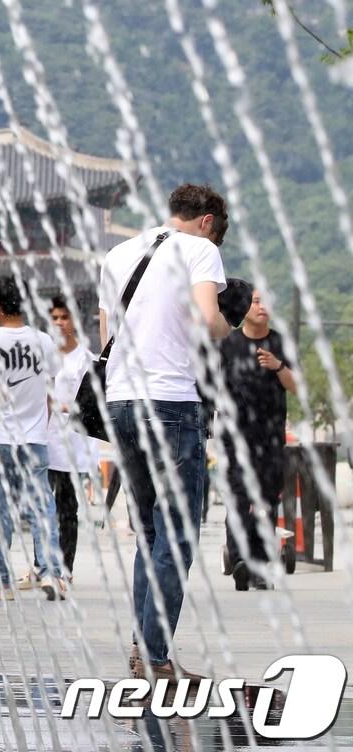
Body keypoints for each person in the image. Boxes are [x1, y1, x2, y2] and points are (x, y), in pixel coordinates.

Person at [99, 183, 245, 680]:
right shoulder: (200, 250)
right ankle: (156, 658)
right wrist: (228, 324)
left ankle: (145, 651)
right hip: (170, 403)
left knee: (149, 532)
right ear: (207, 222)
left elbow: (106, 335)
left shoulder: (118, 254)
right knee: (177, 535)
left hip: (120, 401)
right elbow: (207, 320)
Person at [0, 275, 65, 600]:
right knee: (42, 506)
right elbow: (50, 394)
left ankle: (2, 580)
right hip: (33, 438)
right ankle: (50, 573)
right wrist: (40, 427)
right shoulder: (44, 342)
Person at [218, 289, 296, 591]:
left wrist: (278, 366)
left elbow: (297, 386)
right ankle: (240, 561)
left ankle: (261, 564)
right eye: (256, 301)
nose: (263, 307)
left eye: (267, 301)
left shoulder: (281, 343)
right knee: (239, 498)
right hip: (235, 437)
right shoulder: (228, 345)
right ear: (243, 307)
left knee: (266, 500)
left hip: (271, 438)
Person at [42, 295, 101, 577]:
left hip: (70, 445)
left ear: (75, 321)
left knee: (67, 508)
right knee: (41, 506)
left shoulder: (86, 360)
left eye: (64, 318)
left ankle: (65, 568)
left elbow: (91, 404)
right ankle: (42, 565)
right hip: (42, 439)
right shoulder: (43, 356)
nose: (59, 323)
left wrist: (61, 406)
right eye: (54, 318)